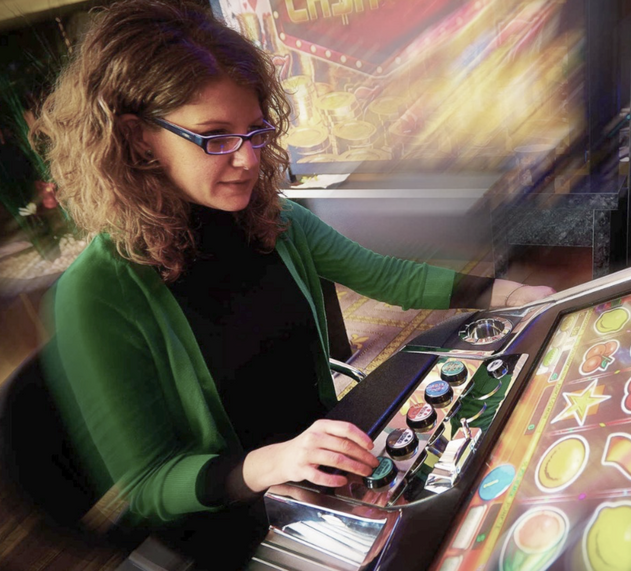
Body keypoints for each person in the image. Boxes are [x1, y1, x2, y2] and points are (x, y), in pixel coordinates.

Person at [31, 0, 555, 567]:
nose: (248, 160)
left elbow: (389, 277)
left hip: (328, 464)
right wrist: (275, 462)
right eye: (215, 136)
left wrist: (508, 294)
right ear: (137, 139)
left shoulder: (274, 219)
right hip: (233, 517)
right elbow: (149, 485)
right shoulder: (97, 291)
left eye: (255, 131)